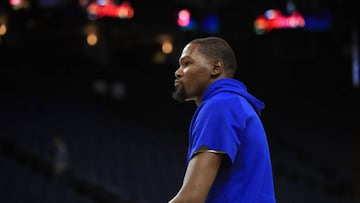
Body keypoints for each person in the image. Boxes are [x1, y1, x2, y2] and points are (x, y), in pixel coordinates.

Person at [169, 36, 276, 203]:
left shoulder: (220, 105)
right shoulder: (235, 103)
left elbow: (192, 198)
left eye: (187, 63)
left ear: (216, 67)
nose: (178, 71)